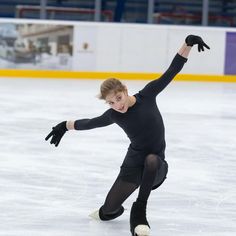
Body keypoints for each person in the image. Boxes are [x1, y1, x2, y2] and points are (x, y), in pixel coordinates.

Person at [45, 35, 210, 236]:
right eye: (111, 103)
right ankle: (112, 210)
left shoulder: (148, 95)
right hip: (133, 164)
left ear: (125, 90)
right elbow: (91, 122)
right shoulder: (115, 115)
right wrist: (65, 125)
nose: (117, 105)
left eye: (118, 98)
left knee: (151, 160)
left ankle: (139, 211)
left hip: (156, 166)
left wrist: (188, 43)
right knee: (107, 211)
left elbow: (171, 71)